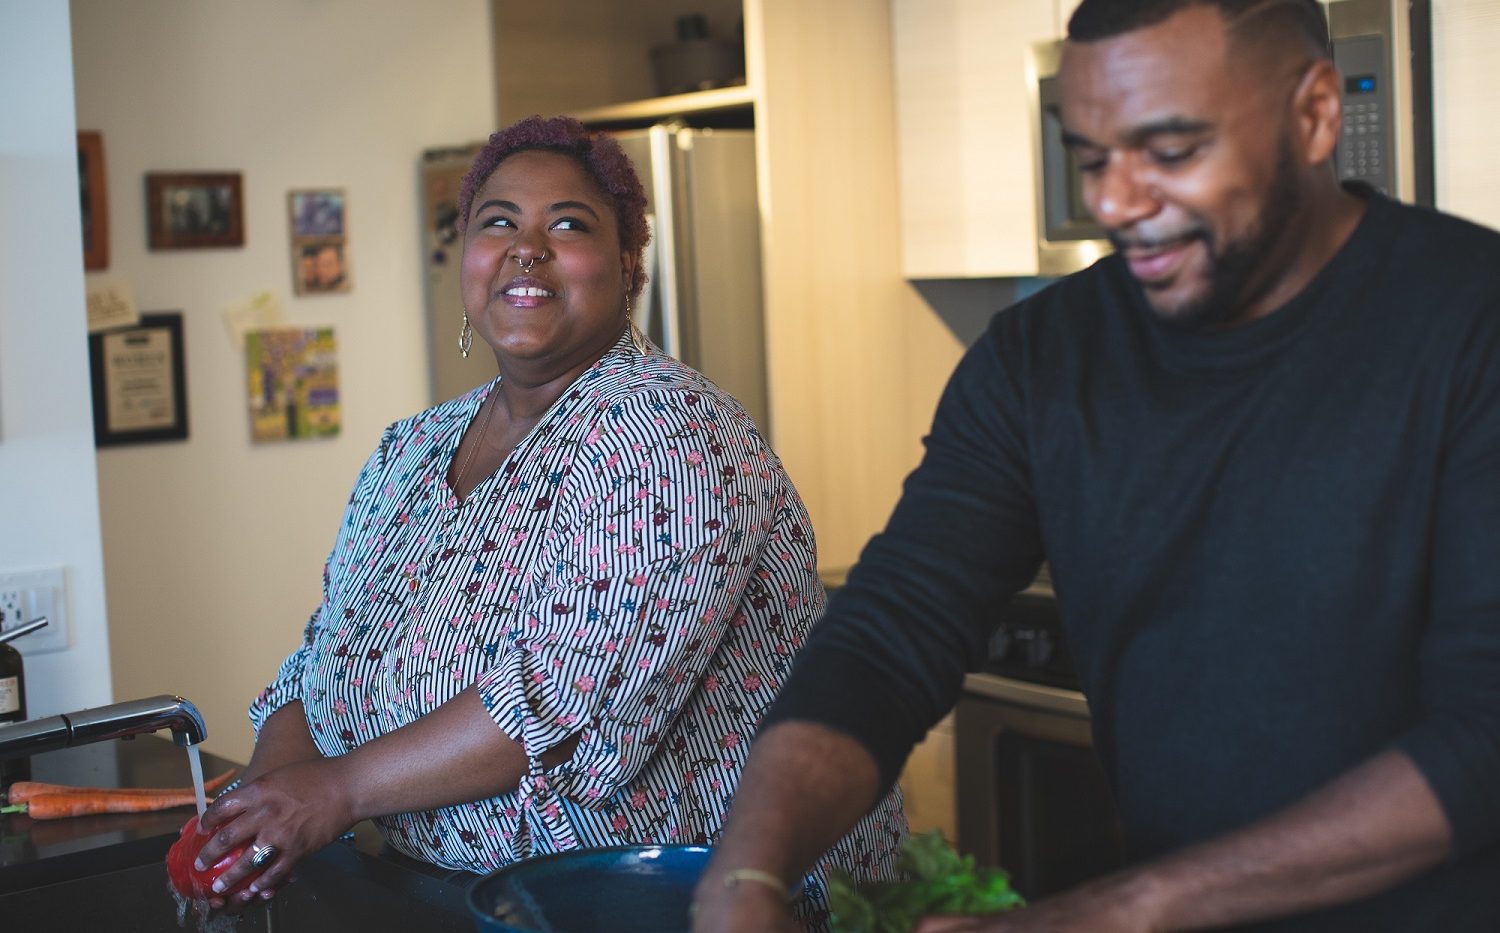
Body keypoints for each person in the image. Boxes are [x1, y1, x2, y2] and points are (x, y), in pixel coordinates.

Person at [693, 1, 1500, 931]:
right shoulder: (1040, 359)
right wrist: (742, 874)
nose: (1115, 203)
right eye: (1092, 158)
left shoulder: (1471, 325)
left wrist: (1118, 909)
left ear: (1315, 115)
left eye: (1169, 151)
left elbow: (1484, 739)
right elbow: (889, 636)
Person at [191, 115, 905, 925]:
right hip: (463, 896)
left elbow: (565, 699)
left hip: (692, 905)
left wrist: (337, 788)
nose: (526, 246)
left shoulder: (670, 431)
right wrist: (271, 793)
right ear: (467, 260)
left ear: (629, 265)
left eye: (567, 224)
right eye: (498, 222)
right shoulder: (411, 449)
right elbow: (327, 651)